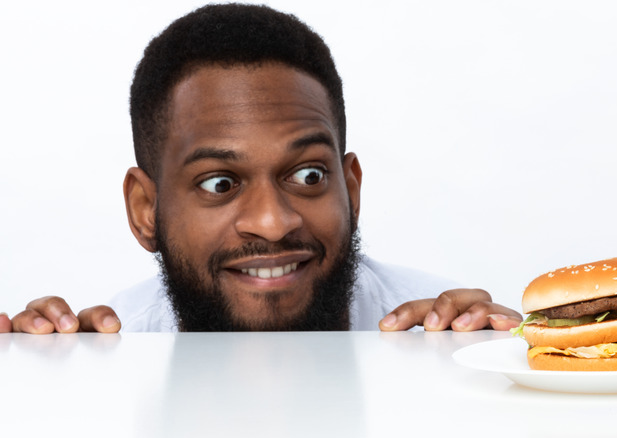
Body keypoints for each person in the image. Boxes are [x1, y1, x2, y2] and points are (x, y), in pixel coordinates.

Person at [1, 4, 522, 334]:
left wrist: (514, 378)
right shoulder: (104, 355)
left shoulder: (446, 339)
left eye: (309, 176)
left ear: (352, 190)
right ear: (145, 211)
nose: (273, 222)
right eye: (219, 184)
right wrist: (44, 390)